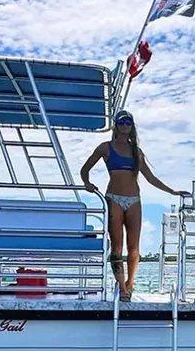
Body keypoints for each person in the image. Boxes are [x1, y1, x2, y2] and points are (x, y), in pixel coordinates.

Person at [80, 110, 187, 301]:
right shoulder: (105, 148)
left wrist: (172, 191)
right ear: (116, 125)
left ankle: (130, 282)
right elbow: (85, 169)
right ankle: (121, 287)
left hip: (134, 200)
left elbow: (150, 177)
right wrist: (87, 184)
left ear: (132, 126)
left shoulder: (136, 151)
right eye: (121, 122)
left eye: (128, 122)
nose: (125, 125)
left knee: (134, 248)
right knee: (117, 246)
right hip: (113, 198)